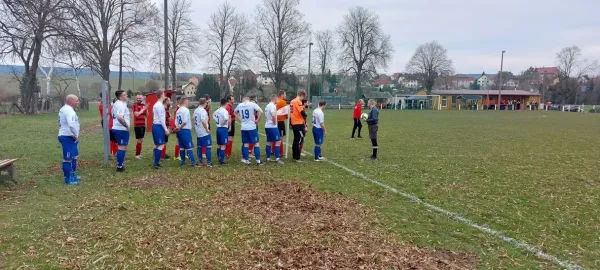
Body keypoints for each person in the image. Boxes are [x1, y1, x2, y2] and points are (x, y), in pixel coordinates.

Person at [58, 94, 81, 185]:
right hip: (68, 137)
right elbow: (71, 124)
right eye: (76, 100)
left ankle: (72, 174)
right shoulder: (68, 110)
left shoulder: (65, 109)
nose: (78, 102)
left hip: (69, 136)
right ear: (71, 101)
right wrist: (75, 134)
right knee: (67, 159)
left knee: (75, 155)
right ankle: (67, 179)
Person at [235, 95, 264, 165]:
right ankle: (258, 161)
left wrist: (240, 119)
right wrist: (257, 120)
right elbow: (261, 111)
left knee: (245, 144)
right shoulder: (252, 104)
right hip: (251, 127)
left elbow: (235, 112)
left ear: (243, 99)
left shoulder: (240, 105)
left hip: (244, 127)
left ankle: (247, 160)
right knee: (256, 143)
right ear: (248, 99)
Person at [173, 97, 197, 167]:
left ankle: (183, 162)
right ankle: (193, 163)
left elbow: (176, 122)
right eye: (188, 102)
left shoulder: (178, 111)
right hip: (185, 130)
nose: (188, 103)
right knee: (189, 147)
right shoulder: (186, 110)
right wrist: (180, 127)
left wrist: (177, 128)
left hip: (179, 131)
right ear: (185, 102)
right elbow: (185, 121)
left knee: (182, 147)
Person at [112, 90, 131, 172]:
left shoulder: (118, 104)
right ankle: (119, 166)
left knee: (123, 147)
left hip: (118, 128)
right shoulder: (120, 105)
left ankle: (121, 163)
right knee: (121, 147)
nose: (126, 96)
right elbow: (119, 117)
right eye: (124, 95)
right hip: (120, 129)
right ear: (120, 97)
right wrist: (126, 125)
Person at [152, 90, 170, 169]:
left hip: (156, 125)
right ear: (162, 95)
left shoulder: (157, 104)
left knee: (158, 145)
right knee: (161, 144)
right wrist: (166, 129)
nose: (165, 95)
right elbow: (162, 119)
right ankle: (156, 163)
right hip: (158, 126)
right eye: (164, 94)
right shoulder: (159, 105)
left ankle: (156, 161)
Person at [265, 95, 283, 163]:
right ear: (274, 99)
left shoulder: (267, 106)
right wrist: (274, 122)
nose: (277, 101)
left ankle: (268, 158)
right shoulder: (272, 106)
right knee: (278, 141)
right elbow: (273, 115)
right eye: (277, 100)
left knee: (268, 142)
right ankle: (277, 158)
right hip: (272, 126)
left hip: (267, 126)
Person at [194, 98, 213, 167]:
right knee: (208, 146)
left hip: (198, 131)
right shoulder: (203, 111)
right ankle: (209, 163)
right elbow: (203, 120)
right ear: (205, 103)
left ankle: (200, 161)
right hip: (203, 131)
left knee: (199, 146)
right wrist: (207, 129)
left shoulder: (196, 110)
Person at [290, 90, 307, 162]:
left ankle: (294, 156)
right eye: (303, 97)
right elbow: (302, 112)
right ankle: (297, 157)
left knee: (296, 140)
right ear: (302, 95)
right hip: (299, 123)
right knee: (299, 140)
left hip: (293, 122)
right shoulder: (298, 101)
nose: (303, 99)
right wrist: (305, 116)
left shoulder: (292, 101)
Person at [213, 98, 230, 165]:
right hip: (223, 128)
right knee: (223, 145)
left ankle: (219, 158)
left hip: (218, 128)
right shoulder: (224, 111)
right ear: (226, 103)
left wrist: (218, 122)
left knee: (218, 145)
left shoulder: (217, 110)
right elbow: (226, 118)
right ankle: (221, 160)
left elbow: (213, 115)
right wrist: (223, 122)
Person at [132, 94, 147, 159]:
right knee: (139, 139)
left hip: (143, 124)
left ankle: (139, 154)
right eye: (137, 98)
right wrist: (143, 110)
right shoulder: (134, 105)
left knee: (141, 139)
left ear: (142, 99)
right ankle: (137, 155)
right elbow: (136, 114)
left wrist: (146, 109)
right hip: (137, 125)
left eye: (140, 98)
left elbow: (146, 115)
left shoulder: (143, 105)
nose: (138, 99)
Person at [275, 90, 287, 157]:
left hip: (275, 121)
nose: (285, 96)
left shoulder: (276, 101)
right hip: (280, 121)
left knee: (275, 137)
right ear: (282, 94)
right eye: (285, 94)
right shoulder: (283, 102)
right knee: (281, 138)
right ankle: (280, 152)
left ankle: (273, 150)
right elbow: (285, 113)